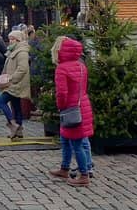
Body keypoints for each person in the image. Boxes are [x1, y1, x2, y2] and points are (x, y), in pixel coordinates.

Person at [49, 36, 95, 187]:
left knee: (76, 143)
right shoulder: (82, 66)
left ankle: (83, 175)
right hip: (83, 105)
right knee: (68, 139)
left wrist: (61, 106)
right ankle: (65, 168)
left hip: (71, 108)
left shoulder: (62, 68)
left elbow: (62, 93)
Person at [0, 29, 31, 139]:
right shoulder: (13, 51)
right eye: (10, 39)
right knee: (16, 105)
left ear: (18, 40)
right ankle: (19, 129)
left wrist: (11, 79)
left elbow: (22, 69)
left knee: (2, 101)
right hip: (12, 82)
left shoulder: (22, 52)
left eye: (13, 39)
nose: (10, 41)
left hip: (16, 83)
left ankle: (12, 123)